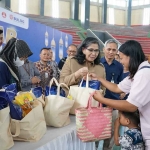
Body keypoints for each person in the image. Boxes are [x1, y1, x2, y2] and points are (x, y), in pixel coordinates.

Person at [89, 40, 150, 150]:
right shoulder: (138, 72)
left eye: (121, 58)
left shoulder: (143, 74)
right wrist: (99, 79)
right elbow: (117, 87)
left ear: (130, 57)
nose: (120, 61)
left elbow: (131, 105)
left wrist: (102, 99)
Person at [99, 39, 123, 150]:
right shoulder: (97, 63)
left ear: (117, 51)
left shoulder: (119, 66)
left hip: (113, 104)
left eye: (114, 49)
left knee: (111, 131)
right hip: (98, 104)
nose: (111, 52)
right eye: (109, 49)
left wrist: (123, 92)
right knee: (96, 130)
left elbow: (121, 83)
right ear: (104, 50)